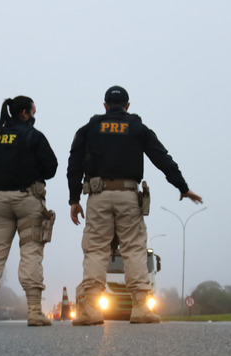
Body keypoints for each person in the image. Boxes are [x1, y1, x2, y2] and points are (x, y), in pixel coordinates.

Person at [67, 86, 203, 325]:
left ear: (105, 106)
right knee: (134, 249)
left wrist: (74, 200)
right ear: (128, 106)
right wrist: (182, 187)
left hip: (97, 196)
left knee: (96, 249)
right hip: (129, 195)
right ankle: (140, 308)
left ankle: (90, 309)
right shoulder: (137, 128)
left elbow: (74, 164)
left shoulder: (89, 129)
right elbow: (162, 158)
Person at [0, 96, 58, 327]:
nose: (34, 116)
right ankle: (34, 312)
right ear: (24, 113)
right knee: (31, 251)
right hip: (28, 199)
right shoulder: (33, 135)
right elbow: (51, 168)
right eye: (33, 111)